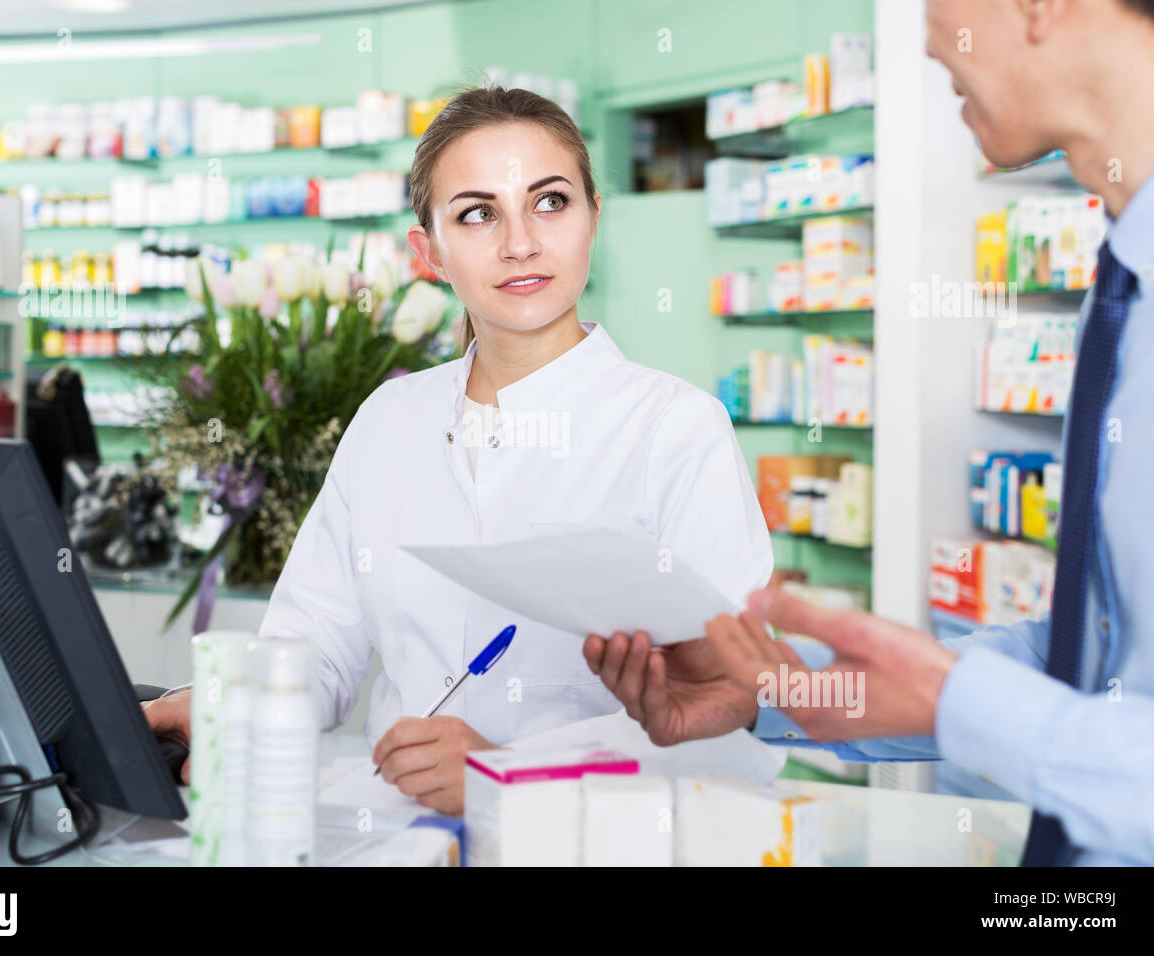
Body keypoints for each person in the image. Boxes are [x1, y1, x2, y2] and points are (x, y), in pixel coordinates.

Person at [583, 0, 1154, 866]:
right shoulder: (1126, 283)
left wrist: (956, 700)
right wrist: (785, 687)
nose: (924, 30)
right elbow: (1104, 655)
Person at [144, 85, 774, 814]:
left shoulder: (675, 429)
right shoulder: (390, 418)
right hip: (395, 835)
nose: (520, 243)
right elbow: (316, 643)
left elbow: (731, 711)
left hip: (593, 842)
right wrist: (230, 704)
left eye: (550, 202)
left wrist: (512, 773)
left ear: (593, 219)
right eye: (478, 213)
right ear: (429, 252)